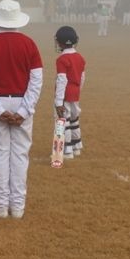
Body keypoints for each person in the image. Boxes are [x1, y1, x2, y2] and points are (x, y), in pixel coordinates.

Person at [0, 0, 43, 219]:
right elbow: (36, 80)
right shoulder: (29, 44)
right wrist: (24, 110)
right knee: (20, 156)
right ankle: (18, 208)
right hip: (22, 101)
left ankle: (1, 206)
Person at [53, 26, 86, 160]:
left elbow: (62, 80)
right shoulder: (80, 57)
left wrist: (58, 101)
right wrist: (78, 90)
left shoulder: (62, 60)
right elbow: (82, 77)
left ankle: (63, 152)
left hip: (65, 94)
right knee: (74, 120)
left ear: (59, 42)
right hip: (75, 93)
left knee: (61, 122)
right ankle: (76, 147)